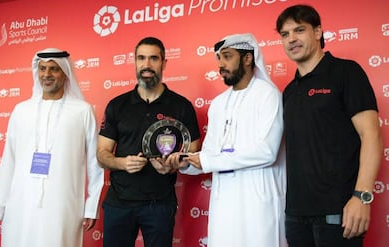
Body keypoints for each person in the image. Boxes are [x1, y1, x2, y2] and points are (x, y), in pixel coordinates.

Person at [276, 4, 382, 247]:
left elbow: (371, 135)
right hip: (295, 215)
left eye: (299, 30)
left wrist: (362, 197)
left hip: (339, 212)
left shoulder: (346, 72)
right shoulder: (289, 91)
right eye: (285, 34)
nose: (291, 39)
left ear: (317, 32)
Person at [167, 33, 287, 247]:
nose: (221, 64)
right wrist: (186, 163)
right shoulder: (219, 104)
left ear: (248, 58)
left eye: (227, 57)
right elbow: (210, 154)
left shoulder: (269, 95)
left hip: (258, 201)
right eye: (219, 58)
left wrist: (207, 161)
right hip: (224, 202)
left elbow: (267, 151)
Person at [0, 48, 104, 247]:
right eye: (42, 69)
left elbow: (95, 163)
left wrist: (91, 207)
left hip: (62, 205)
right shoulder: (21, 110)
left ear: (65, 73)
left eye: (53, 69)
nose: (47, 75)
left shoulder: (82, 111)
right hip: (21, 204)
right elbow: (8, 162)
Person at [97, 36, 201, 247]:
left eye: (153, 58)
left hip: (160, 204)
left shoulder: (182, 106)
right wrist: (122, 163)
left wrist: (173, 166)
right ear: (135, 62)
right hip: (119, 203)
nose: (147, 65)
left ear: (164, 63)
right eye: (141, 58)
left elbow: (193, 152)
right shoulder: (117, 105)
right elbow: (102, 154)